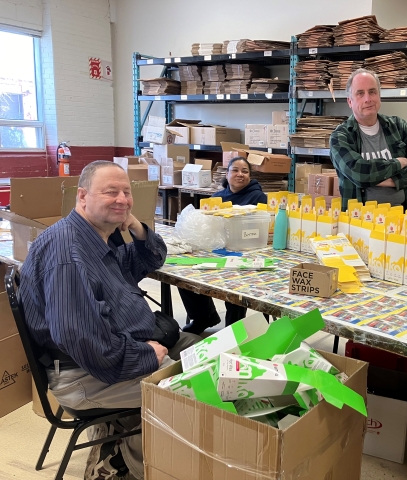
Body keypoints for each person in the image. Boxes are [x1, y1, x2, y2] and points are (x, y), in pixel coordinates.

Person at [20, 161, 201, 480]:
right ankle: (119, 466)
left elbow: (149, 258)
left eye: (126, 193)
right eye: (110, 192)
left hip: (118, 348)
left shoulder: (97, 236)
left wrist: (133, 223)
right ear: (82, 197)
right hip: (86, 375)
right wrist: (147, 355)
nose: (122, 199)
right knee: (198, 387)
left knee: (209, 348)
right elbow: (85, 342)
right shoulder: (69, 254)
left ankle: (123, 435)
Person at [180, 157, 267, 334]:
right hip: (217, 250)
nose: (240, 174)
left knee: (235, 286)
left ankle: (232, 331)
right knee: (185, 276)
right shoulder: (217, 198)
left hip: (245, 252)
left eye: (245, 171)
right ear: (227, 174)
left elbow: (260, 229)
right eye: (235, 170)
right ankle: (204, 317)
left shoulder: (257, 196)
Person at [330, 68, 407, 211]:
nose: (368, 99)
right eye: (360, 93)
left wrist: (389, 180)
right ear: (350, 101)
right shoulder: (341, 136)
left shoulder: (399, 127)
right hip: (360, 221)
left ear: (379, 96)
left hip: (402, 217)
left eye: (372, 92)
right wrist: (399, 163)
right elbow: (360, 173)